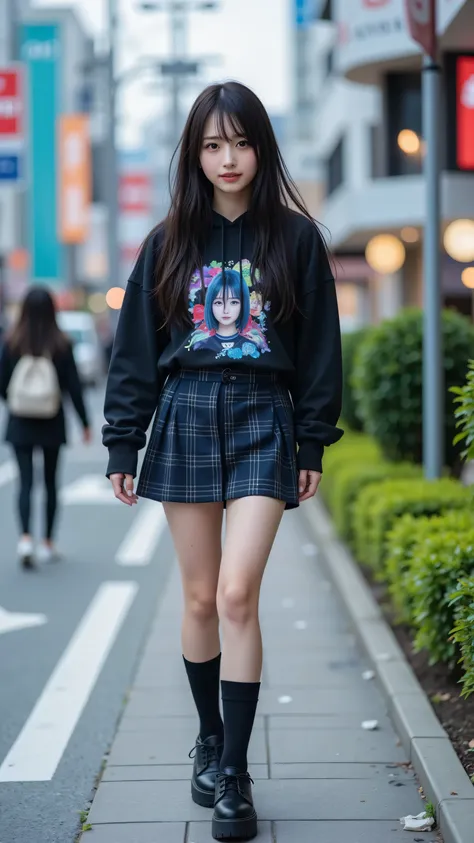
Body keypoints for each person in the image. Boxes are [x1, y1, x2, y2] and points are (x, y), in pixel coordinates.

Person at [103, 81, 344, 841]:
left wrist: (312, 439)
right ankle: (208, 737)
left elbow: (319, 353)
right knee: (202, 597)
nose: (228, 157)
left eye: (240, 142)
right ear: (195, 154)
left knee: (239, 593)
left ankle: (235, 773)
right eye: (212, 144)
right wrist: (122, 440)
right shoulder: (169, 240)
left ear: (262, 147)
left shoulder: (297, 241)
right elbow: (136, 352)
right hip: (185, 412)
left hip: (262, 417)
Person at [0, 287, 91, 569]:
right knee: (51, 483)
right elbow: (73, 387)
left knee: (25, 482)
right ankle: (48, 543)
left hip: (21, 421)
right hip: (52, 421)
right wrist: (84, 422)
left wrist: (16, 402)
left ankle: (26, 538)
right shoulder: (61, 343)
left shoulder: (12, 342)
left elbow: (2, 383)